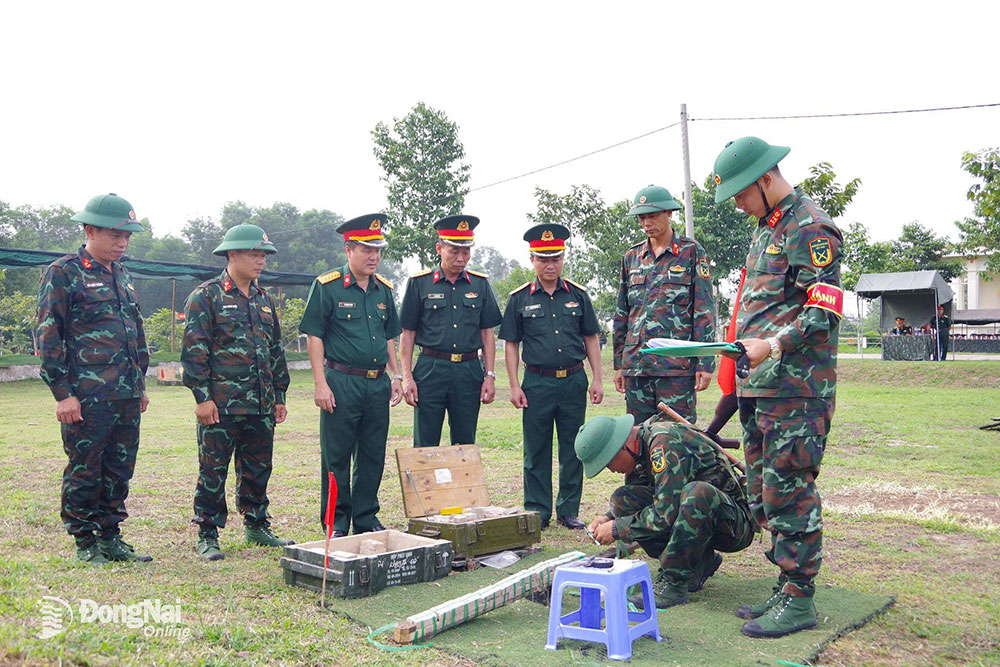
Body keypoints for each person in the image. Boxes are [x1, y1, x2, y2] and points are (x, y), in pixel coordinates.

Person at [712, 136, 844, 638]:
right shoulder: (767, 227)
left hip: (796, 389)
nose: (740, 206)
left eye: (742, 195)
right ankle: (785, 585)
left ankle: (799, 597)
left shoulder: (809, 226)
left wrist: (773, 345)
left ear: (765, 180)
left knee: (789, 490)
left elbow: (823, 312)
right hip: (760, 387)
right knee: (765, 494)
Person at [36, 193, 151, 564]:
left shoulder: (123, 274)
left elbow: (135, 330)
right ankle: (84, 540)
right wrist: (62, 394)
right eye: (115, 235)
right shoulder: (64, 273)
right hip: (86, 396)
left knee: (120, 468)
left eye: (127, 237)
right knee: (86, 468)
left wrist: (140, 384)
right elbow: (48, 335)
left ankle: (110, 536)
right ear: (90, 230)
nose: (122, 243)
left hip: (126, 393)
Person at [181, 224, 293, 561]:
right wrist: (202, 397)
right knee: (213, 470)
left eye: (263, 254)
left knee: (259, 467)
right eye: (253, 254)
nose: (261, 260)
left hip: (260, 403)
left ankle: (256, 523)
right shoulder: (207, 296)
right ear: (232, 255)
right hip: (221, 404)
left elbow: (275, 349)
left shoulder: (263, 299)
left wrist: (279, 394)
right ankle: (208, 531)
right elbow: (194, 351)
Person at [576, 413, 753, 609]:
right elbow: (660, 498)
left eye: (608, 463)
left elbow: (663, 514)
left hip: (733, 524)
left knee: (697, 492)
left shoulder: (663, 443)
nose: (611, 470)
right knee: (622, 500)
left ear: (620, 448)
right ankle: (697, 565)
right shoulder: (642, 444)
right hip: (700, 517)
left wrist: (617, 528)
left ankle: (673, 583)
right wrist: (609, 517)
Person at [299, 214, 403, 537]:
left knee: (373, 453)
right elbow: (314, 336)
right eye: (366, 249)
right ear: (348, 250)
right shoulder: (327, 286)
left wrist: (396, 375)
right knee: (337, 456)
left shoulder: (383, 290)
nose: (373, 257)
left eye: (377, 250)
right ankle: (337, 521)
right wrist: (320, 383)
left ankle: (366, 516)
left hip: (376, 383)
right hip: (341, 381)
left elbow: (389, 337)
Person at [500, 224, 604, 530]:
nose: (550, 264)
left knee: (574, 447)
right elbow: (511, 345)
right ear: (532, 259)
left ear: (563, 258)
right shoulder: (519, 299)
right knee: (536, 449)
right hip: (536, 382)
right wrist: (514, 385)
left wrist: (598, 378)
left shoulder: (578, 296)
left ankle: (568, 509)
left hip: (573, 379)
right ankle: (537, 510)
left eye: (556, 258)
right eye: (543, 258)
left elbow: (591, 339)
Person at [613, 185, 716, 425]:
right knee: (638, 439)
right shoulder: (632, 257)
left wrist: (705, 362)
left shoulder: (691, 252)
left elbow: (703, 311)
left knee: (677, 438)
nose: (646, 222)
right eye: (642, 217)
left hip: (676, 368)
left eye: (652, 215)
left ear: (669, 213)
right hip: (637, 367)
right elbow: (622, 313)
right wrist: (620, 364)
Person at [399, 215, 502, 446]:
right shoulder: (420, 283)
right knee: (425, 443)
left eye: (466, 252)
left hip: (469, 370)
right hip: (430, 369)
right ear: (439, 248)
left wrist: (490, 375)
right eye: (454, 251)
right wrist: (407, 377)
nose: (461, 258)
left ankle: (464, 484)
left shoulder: (480, 284)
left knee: (465, 443)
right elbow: (408, 334)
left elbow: (487, 333)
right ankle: (426, 483)